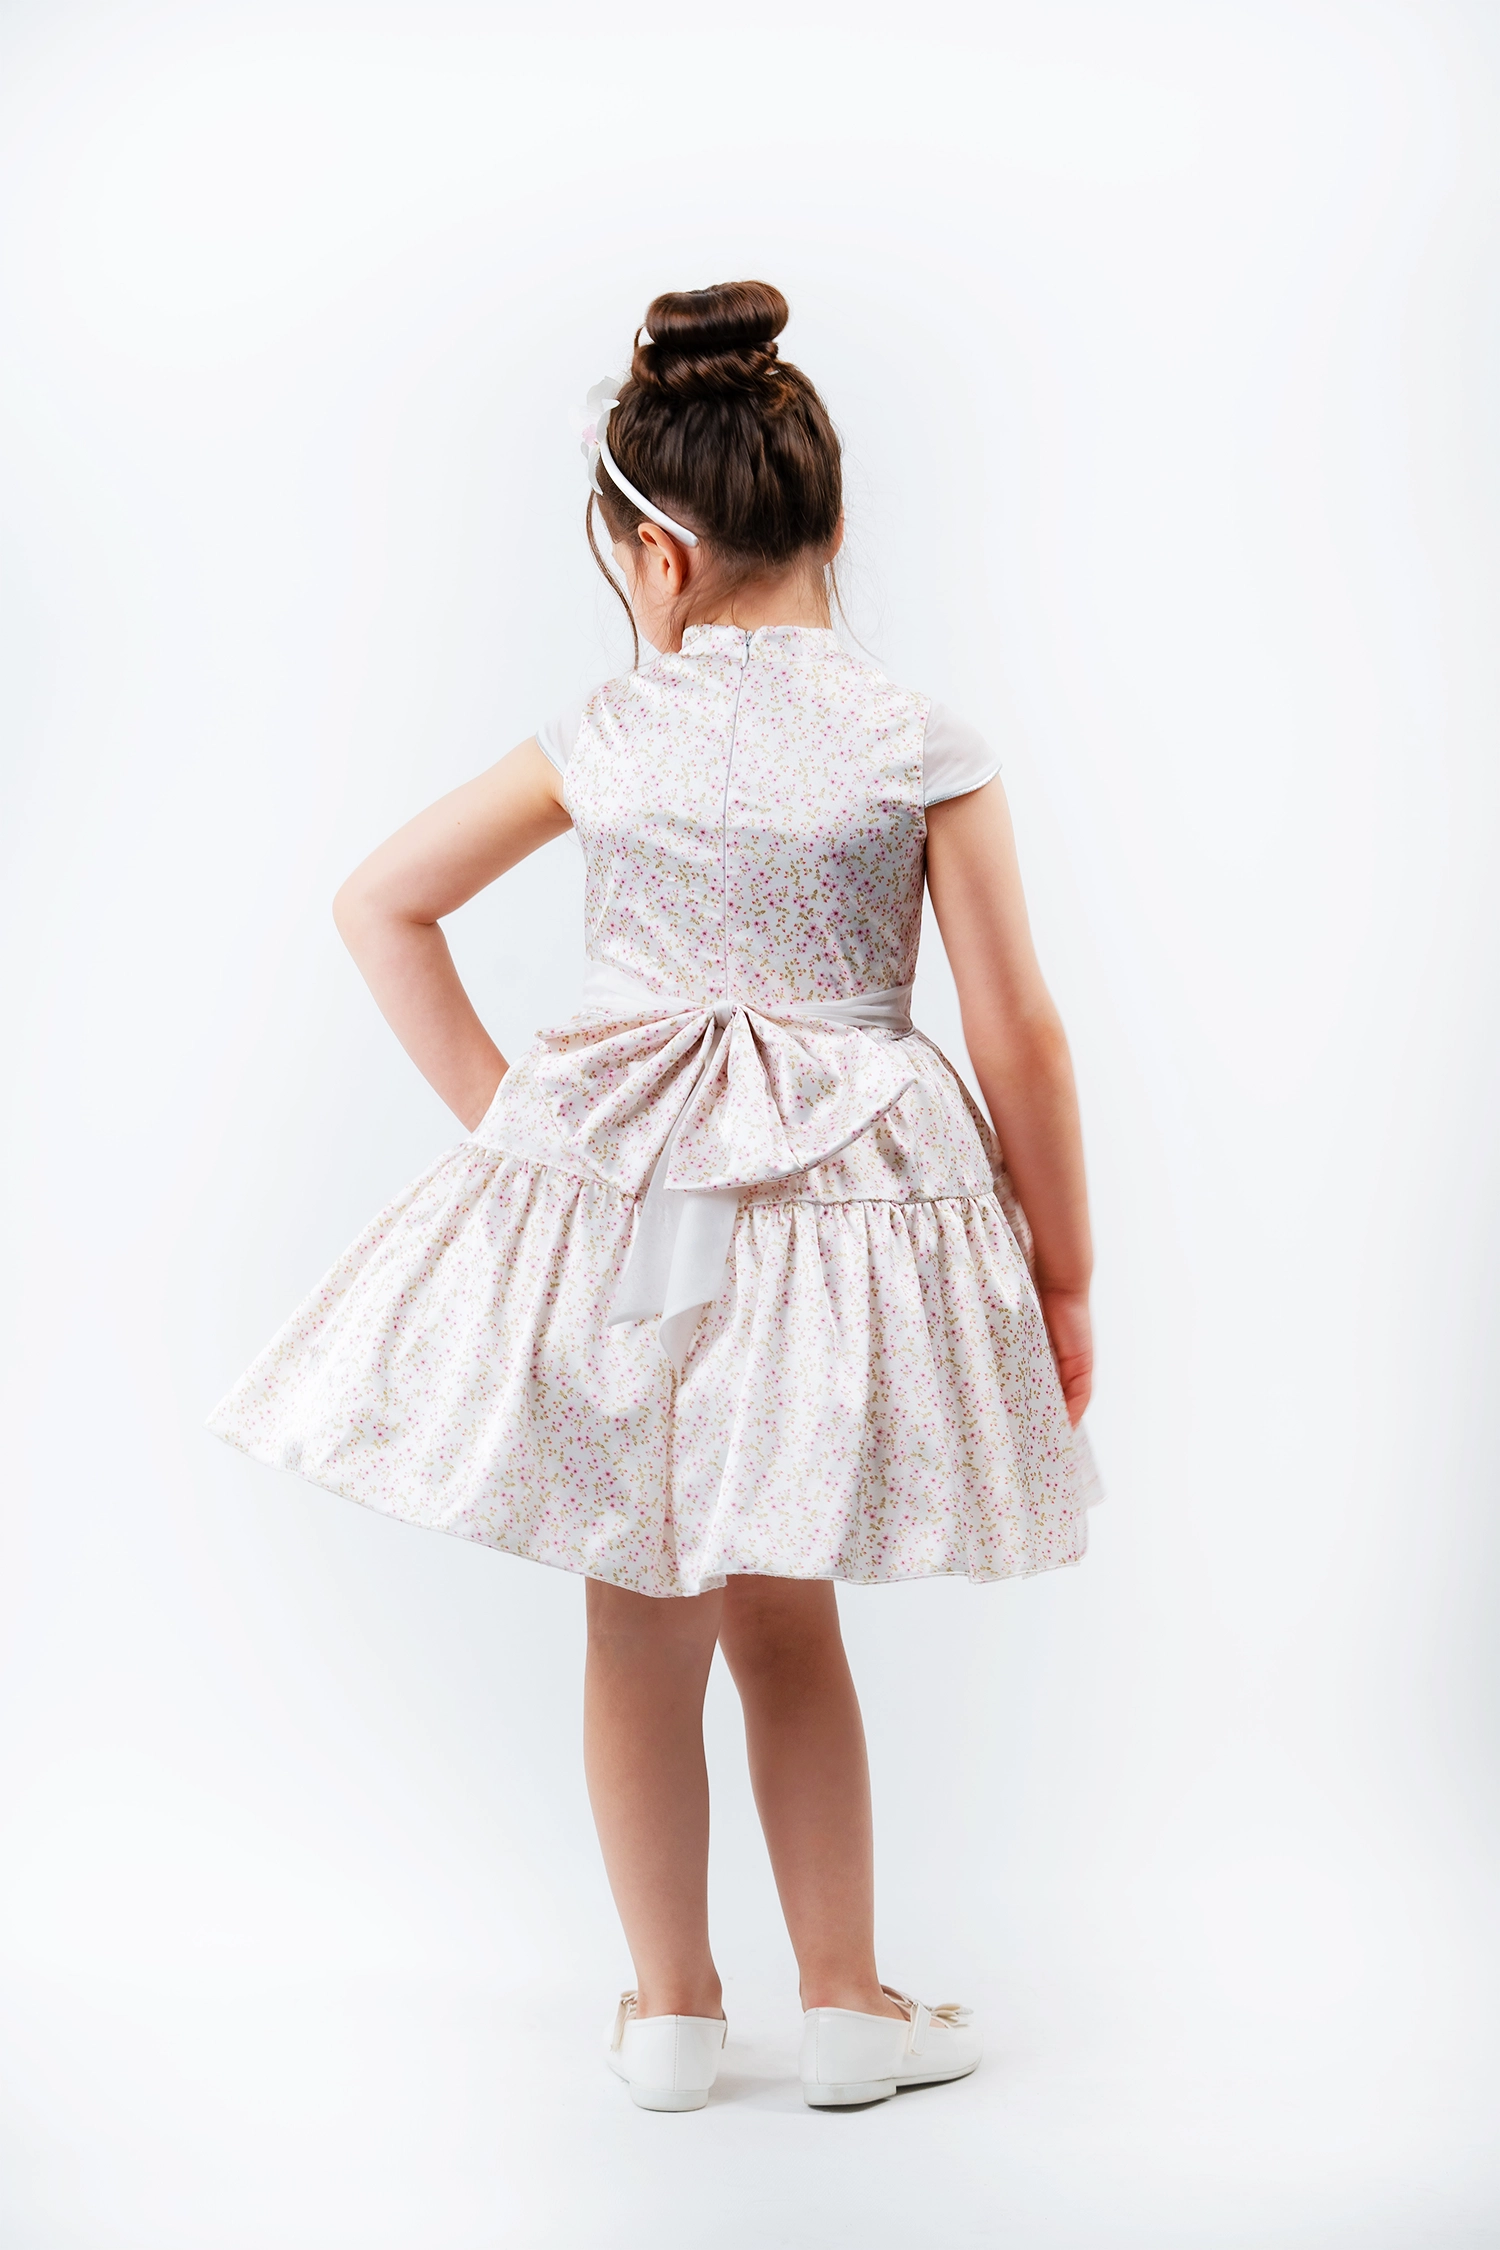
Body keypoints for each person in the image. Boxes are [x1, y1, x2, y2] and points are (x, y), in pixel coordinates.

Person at [208, 280, 1100, 2113]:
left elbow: (381, 900)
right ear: (826, 521)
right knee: (787, 1603)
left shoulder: (611, 730)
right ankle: (846, 2003)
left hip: (655, 1221)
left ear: (660, 557)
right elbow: (1017, 1023)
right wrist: (1064, 1270)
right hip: (850, 1222)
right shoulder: (920, 739)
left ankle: (676, 2012)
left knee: (639, 1596)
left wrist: (519, 1119)